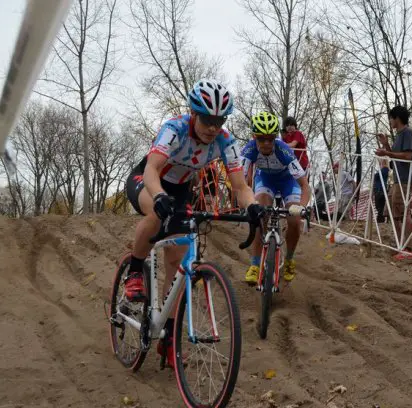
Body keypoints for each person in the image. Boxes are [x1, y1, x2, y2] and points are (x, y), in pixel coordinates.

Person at [123, 79, 262, 367]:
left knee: (177, 264)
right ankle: (135, 271)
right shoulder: (174, 128)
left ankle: (169, 338)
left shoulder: (225, 141)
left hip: (181, 190)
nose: (213, 127)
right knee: (156, 213)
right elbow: (151, 168)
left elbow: (240, 186)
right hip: (148, 181)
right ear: (194, 113)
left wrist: (254, 207)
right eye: (208, 119)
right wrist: (159, 195)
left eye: (219, 120)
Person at [241, 111, 312, 284]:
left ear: (275, 138)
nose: (266, 143)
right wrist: (246, 203)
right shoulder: (248, 150)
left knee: (294, 220)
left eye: (270, 139)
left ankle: (289, 259)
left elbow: (305, 186)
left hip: (288, 181)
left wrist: (301, 207)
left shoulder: (284, 150)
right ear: (253, 137)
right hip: (265, 179)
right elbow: (241, 182)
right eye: (261, 139)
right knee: (259, 213)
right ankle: (255, 264)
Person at [376, 105, 412, 260]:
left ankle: (408, 248)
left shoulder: (407, 133)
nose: (390, 121)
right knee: (391, 212)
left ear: (397, 118)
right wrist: (386, 144)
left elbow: (407, 156)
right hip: (397, 179)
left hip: (405, 179)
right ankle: (400, 244)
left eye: (391, 118)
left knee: (403, 212)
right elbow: (395, 157)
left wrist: (386, 152)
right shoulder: (399, 135)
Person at [373, 159, 390, 223]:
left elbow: (377, 176)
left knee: (380, 206)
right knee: (379, 206)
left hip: (380, 190)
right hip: (379, 189)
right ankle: (382, 219)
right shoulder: (382, 170)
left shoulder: (385, 170)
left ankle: (381, 220)